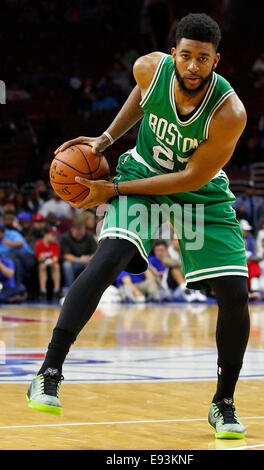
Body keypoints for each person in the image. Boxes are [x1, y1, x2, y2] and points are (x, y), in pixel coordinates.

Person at [26, 13, 249, 439]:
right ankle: (49, 369)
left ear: (215, 60)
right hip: (142, 171)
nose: (192, 66)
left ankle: (223, 403)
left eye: (203, 59)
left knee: (236, 294)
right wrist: (104, 140)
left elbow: (189, 179)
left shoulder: (229, 112)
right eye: (185, 56)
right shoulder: (149, 68)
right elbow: (142, 95)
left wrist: (111, 187)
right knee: (111, 256)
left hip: (199, 190)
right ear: (174, 55)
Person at [60, 218, 97, 294]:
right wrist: (79, 260)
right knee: (67, 265)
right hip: (73, 262)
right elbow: (66, 255)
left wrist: (90, 258)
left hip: (87, 261)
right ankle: (70, 288)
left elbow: (96, 252)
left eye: (81, 233)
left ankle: (89, 288)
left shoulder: (89, 236)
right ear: (72, 230)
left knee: (93, 263)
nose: (80, 235)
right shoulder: (65, 238)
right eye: (77, 233)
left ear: (84, 229)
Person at [34, 227, 60, 301]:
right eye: (53, 235)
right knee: (42, 267)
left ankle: (56, 291)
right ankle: (43, 291)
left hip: (52, 263)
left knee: (56, 266)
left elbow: (56, 258)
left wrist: (51, 262)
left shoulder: (55, 244)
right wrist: (42, 258)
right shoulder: (38, 244)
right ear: (46, 235)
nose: (55, 237)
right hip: (43, 264)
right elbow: (39, 259)